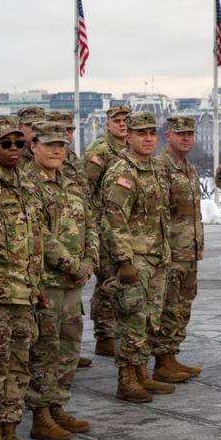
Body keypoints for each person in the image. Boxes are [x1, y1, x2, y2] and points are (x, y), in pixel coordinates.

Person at [0, 117, 69, 440]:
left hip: (23, 294)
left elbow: (32, 238)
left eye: (18, 143)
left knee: (18, 368)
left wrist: (37, 284)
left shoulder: (23, 181)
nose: (13, 149)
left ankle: (11, 434)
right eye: (5, 144)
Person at [25, 121, 96, 440]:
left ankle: (57, 406)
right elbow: (38, 235)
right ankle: (41, 414)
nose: (57, 150)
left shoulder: (71, 181)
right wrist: (72, 265)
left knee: (69, 345)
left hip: (73, 281)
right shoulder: (28, 184)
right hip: (47, 281)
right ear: (33, 146)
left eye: (62, 144)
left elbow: (91, 222)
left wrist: (90, 260)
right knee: (45, 349)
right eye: (49, 144)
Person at [99, 110, 173, 403]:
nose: (147, 139)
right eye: (140, 133)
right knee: (131, 319)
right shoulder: (123, 171)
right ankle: (126, 380)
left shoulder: (154, 168)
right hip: (134, 260)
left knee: (149, 320)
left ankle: (142, 373)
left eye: (151, 133)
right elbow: (113, 217)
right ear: (127, 137)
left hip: (155, 258)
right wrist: (123, 261)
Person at [154, 114, 204, 382]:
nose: (186, 138)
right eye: (180, 133)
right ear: (168, 136)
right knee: (169, 307)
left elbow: (193, 213)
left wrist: (198, 245)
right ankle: (162, 361)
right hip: (171, 252)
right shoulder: (160, 167)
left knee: (183, 306)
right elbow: (157, 214)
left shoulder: (188, 168)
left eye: (190, 134)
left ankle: (171, 355)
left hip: (189, 253)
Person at [81, 104, 130, 358]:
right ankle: (104, 335)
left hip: (124, 227)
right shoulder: (99, 151)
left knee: (120, 280)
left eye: (126, 120)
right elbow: (84, 188)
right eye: (118, 120)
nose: (122, 124)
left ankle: (116, 331)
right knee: (107, 280)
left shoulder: (131, 148)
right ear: (107, 124)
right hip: (102, 227)